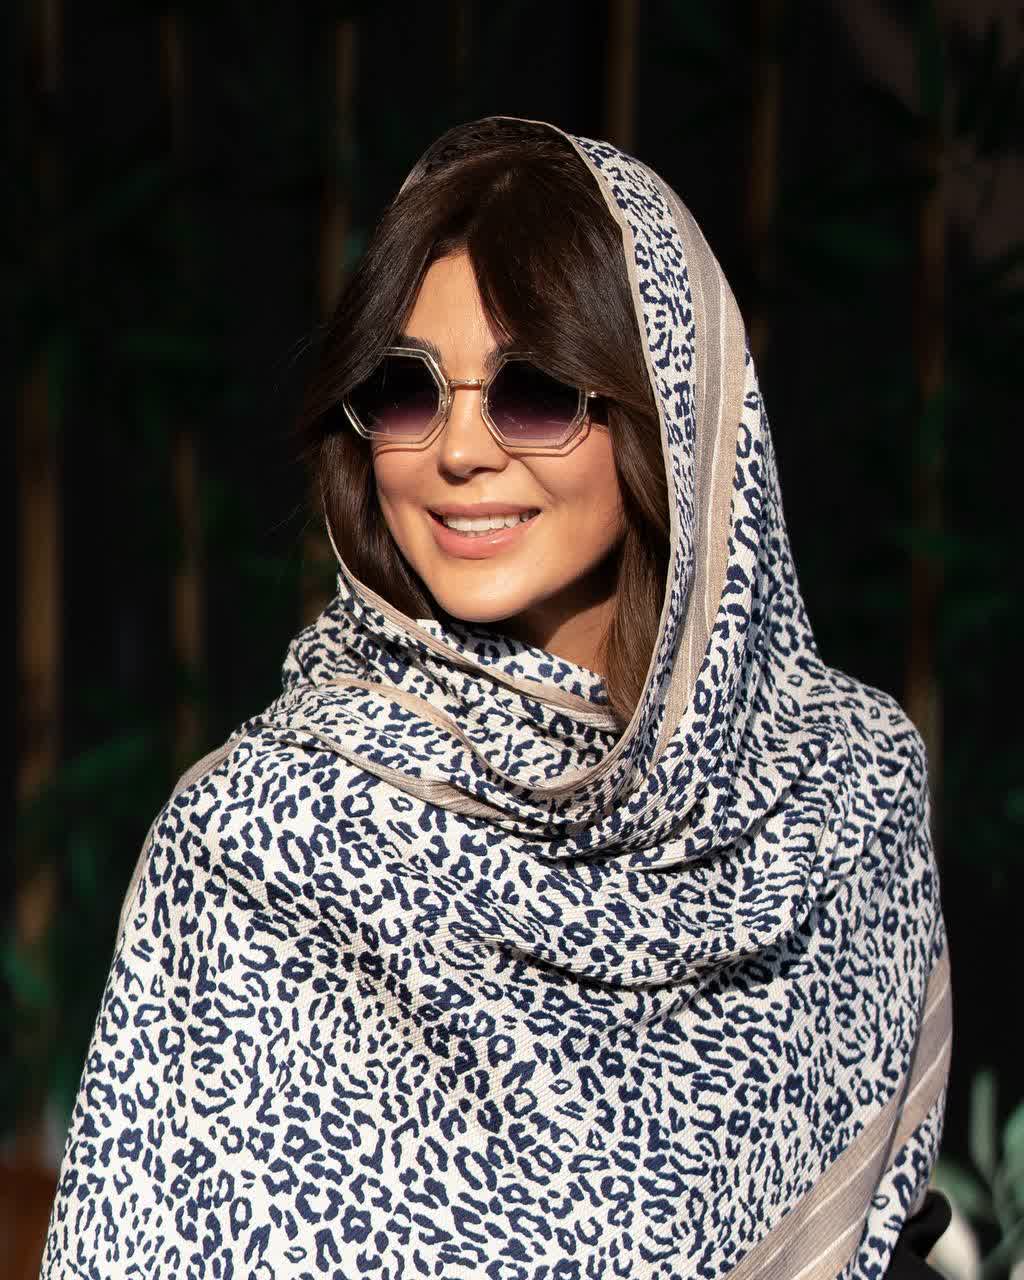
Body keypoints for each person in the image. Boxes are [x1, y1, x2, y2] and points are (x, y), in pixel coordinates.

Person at [40, 115, 952, 1278]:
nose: (458, 450)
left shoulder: (841, 786)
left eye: (533, 390)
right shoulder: (262, 838)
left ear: (671, 412)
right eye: (405, 389)